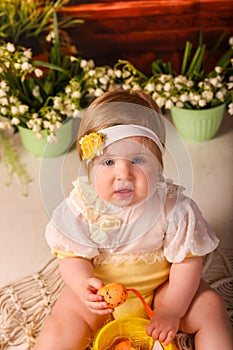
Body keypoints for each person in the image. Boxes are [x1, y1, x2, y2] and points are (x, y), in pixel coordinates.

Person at [34, 89, 233, 350]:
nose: (123, 174)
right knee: (64, 320)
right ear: (89, 166)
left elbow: (187, 261)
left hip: (163, 290)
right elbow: (72, 257)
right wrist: (84, 284)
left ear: (159, 164)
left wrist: (173, 308)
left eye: (138, 159)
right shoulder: (81, 208)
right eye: (108, 162)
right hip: (102, 296)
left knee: (210, 307)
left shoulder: (172, 207)